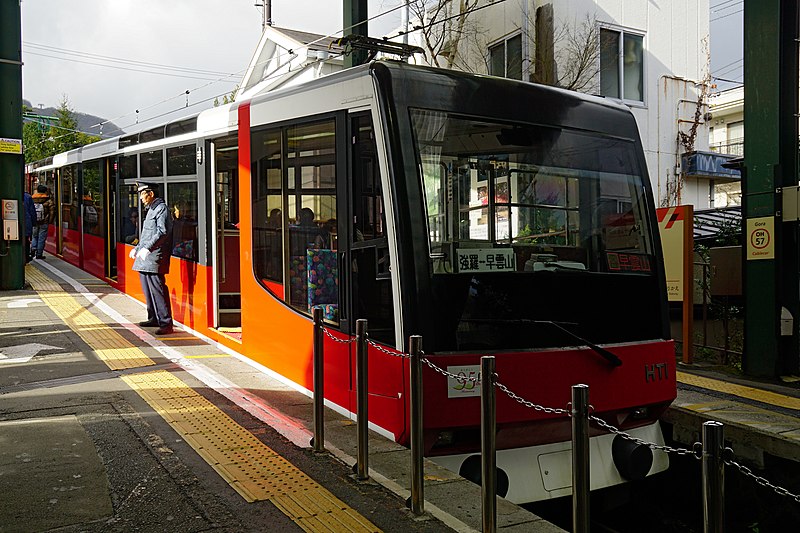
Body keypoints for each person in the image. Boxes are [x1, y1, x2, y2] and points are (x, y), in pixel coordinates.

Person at [129, 182, 174, 335]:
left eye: (142, 194)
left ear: (151, 194)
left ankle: (166, 322)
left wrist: (148, 248)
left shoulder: (161, 209)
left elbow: (162, 231)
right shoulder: (151, 209)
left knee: (157, 290)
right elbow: (146, 234)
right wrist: (137, 248)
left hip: (154, 256)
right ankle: (153, 317)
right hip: (145, 257)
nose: (140, 198)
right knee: (148, 290)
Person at [31, 184, 54, 259]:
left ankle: (33, 249)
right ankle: (39, 254)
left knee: (34, 236)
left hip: (34, 221)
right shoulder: (48, 200)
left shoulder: (32, 199)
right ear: (45, 191)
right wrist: (50, 221)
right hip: (44, 222)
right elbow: (52, 212)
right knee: (41, 238)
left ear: (37, 191)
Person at [23, 191, 35, 263]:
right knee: (26, 241)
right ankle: (26, 257)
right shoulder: (28, 197)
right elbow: (32, 212)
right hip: (26, 224)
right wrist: (33, 223)